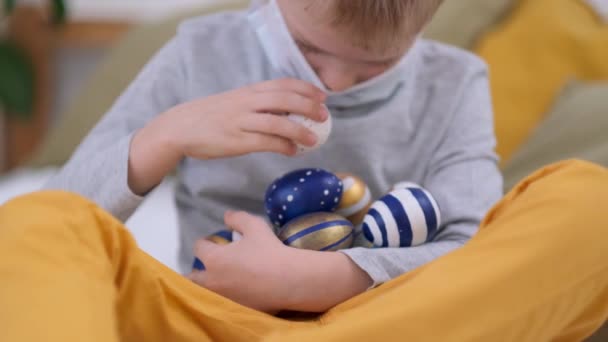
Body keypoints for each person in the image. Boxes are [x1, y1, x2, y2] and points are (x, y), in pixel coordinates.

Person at [1, 1, 607, 341]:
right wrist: (167, 135)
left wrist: (318, 281)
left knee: (592, 205)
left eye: (374, 66)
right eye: (311, 52)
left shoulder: (454, 84)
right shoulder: (199, 52)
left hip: (389, 324)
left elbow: (476, 253)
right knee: (34, 221)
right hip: (203, 320)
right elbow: (71, 204)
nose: (333, 85)